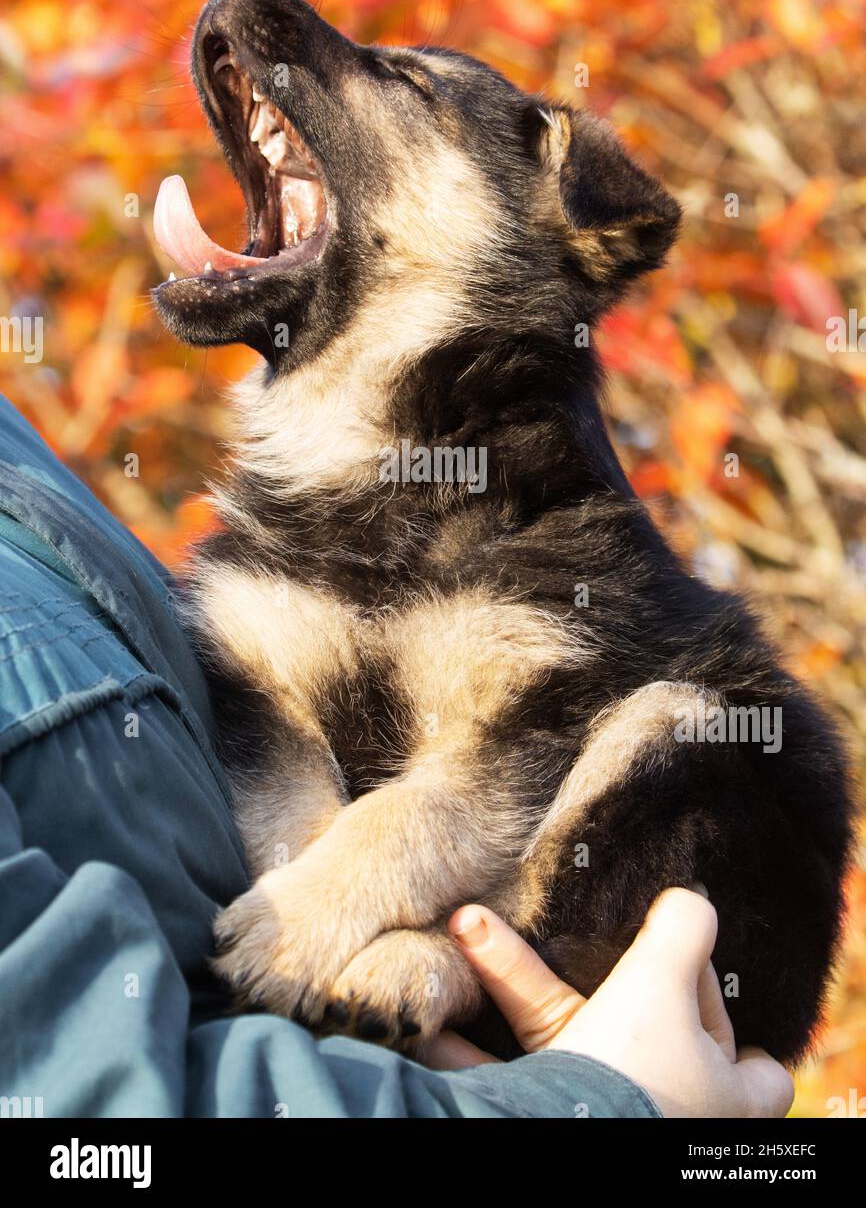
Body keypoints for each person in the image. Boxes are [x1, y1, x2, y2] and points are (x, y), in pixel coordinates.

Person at [0, 396, 792, 1118]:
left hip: (478, 1014)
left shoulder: (27, 465)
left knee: (729, 724)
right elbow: (87, 1107)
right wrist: (607, 1102)